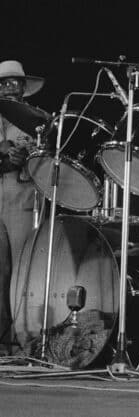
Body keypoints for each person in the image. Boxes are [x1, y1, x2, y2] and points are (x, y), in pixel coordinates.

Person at [0, 61, 44, 345]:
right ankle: (3, 339)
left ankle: (24, 337)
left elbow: (48, 156)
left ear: (24, 88)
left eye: (16, 82)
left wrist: (25, 157)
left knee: (21, 266)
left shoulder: (36, 119)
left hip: (22, 194)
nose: (10, 87)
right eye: (4, 83)